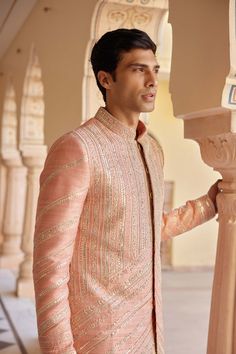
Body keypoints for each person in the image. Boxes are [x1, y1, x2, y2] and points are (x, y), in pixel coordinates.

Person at [33, 28, 219, 354]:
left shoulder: (150, 149)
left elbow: (148, 228)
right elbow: (50, 266)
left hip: (149, 328)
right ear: (106, 79)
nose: (152, 80)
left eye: (155, 70)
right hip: (99, 335)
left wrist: (209, 204)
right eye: (138, 69)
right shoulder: (77, 148)